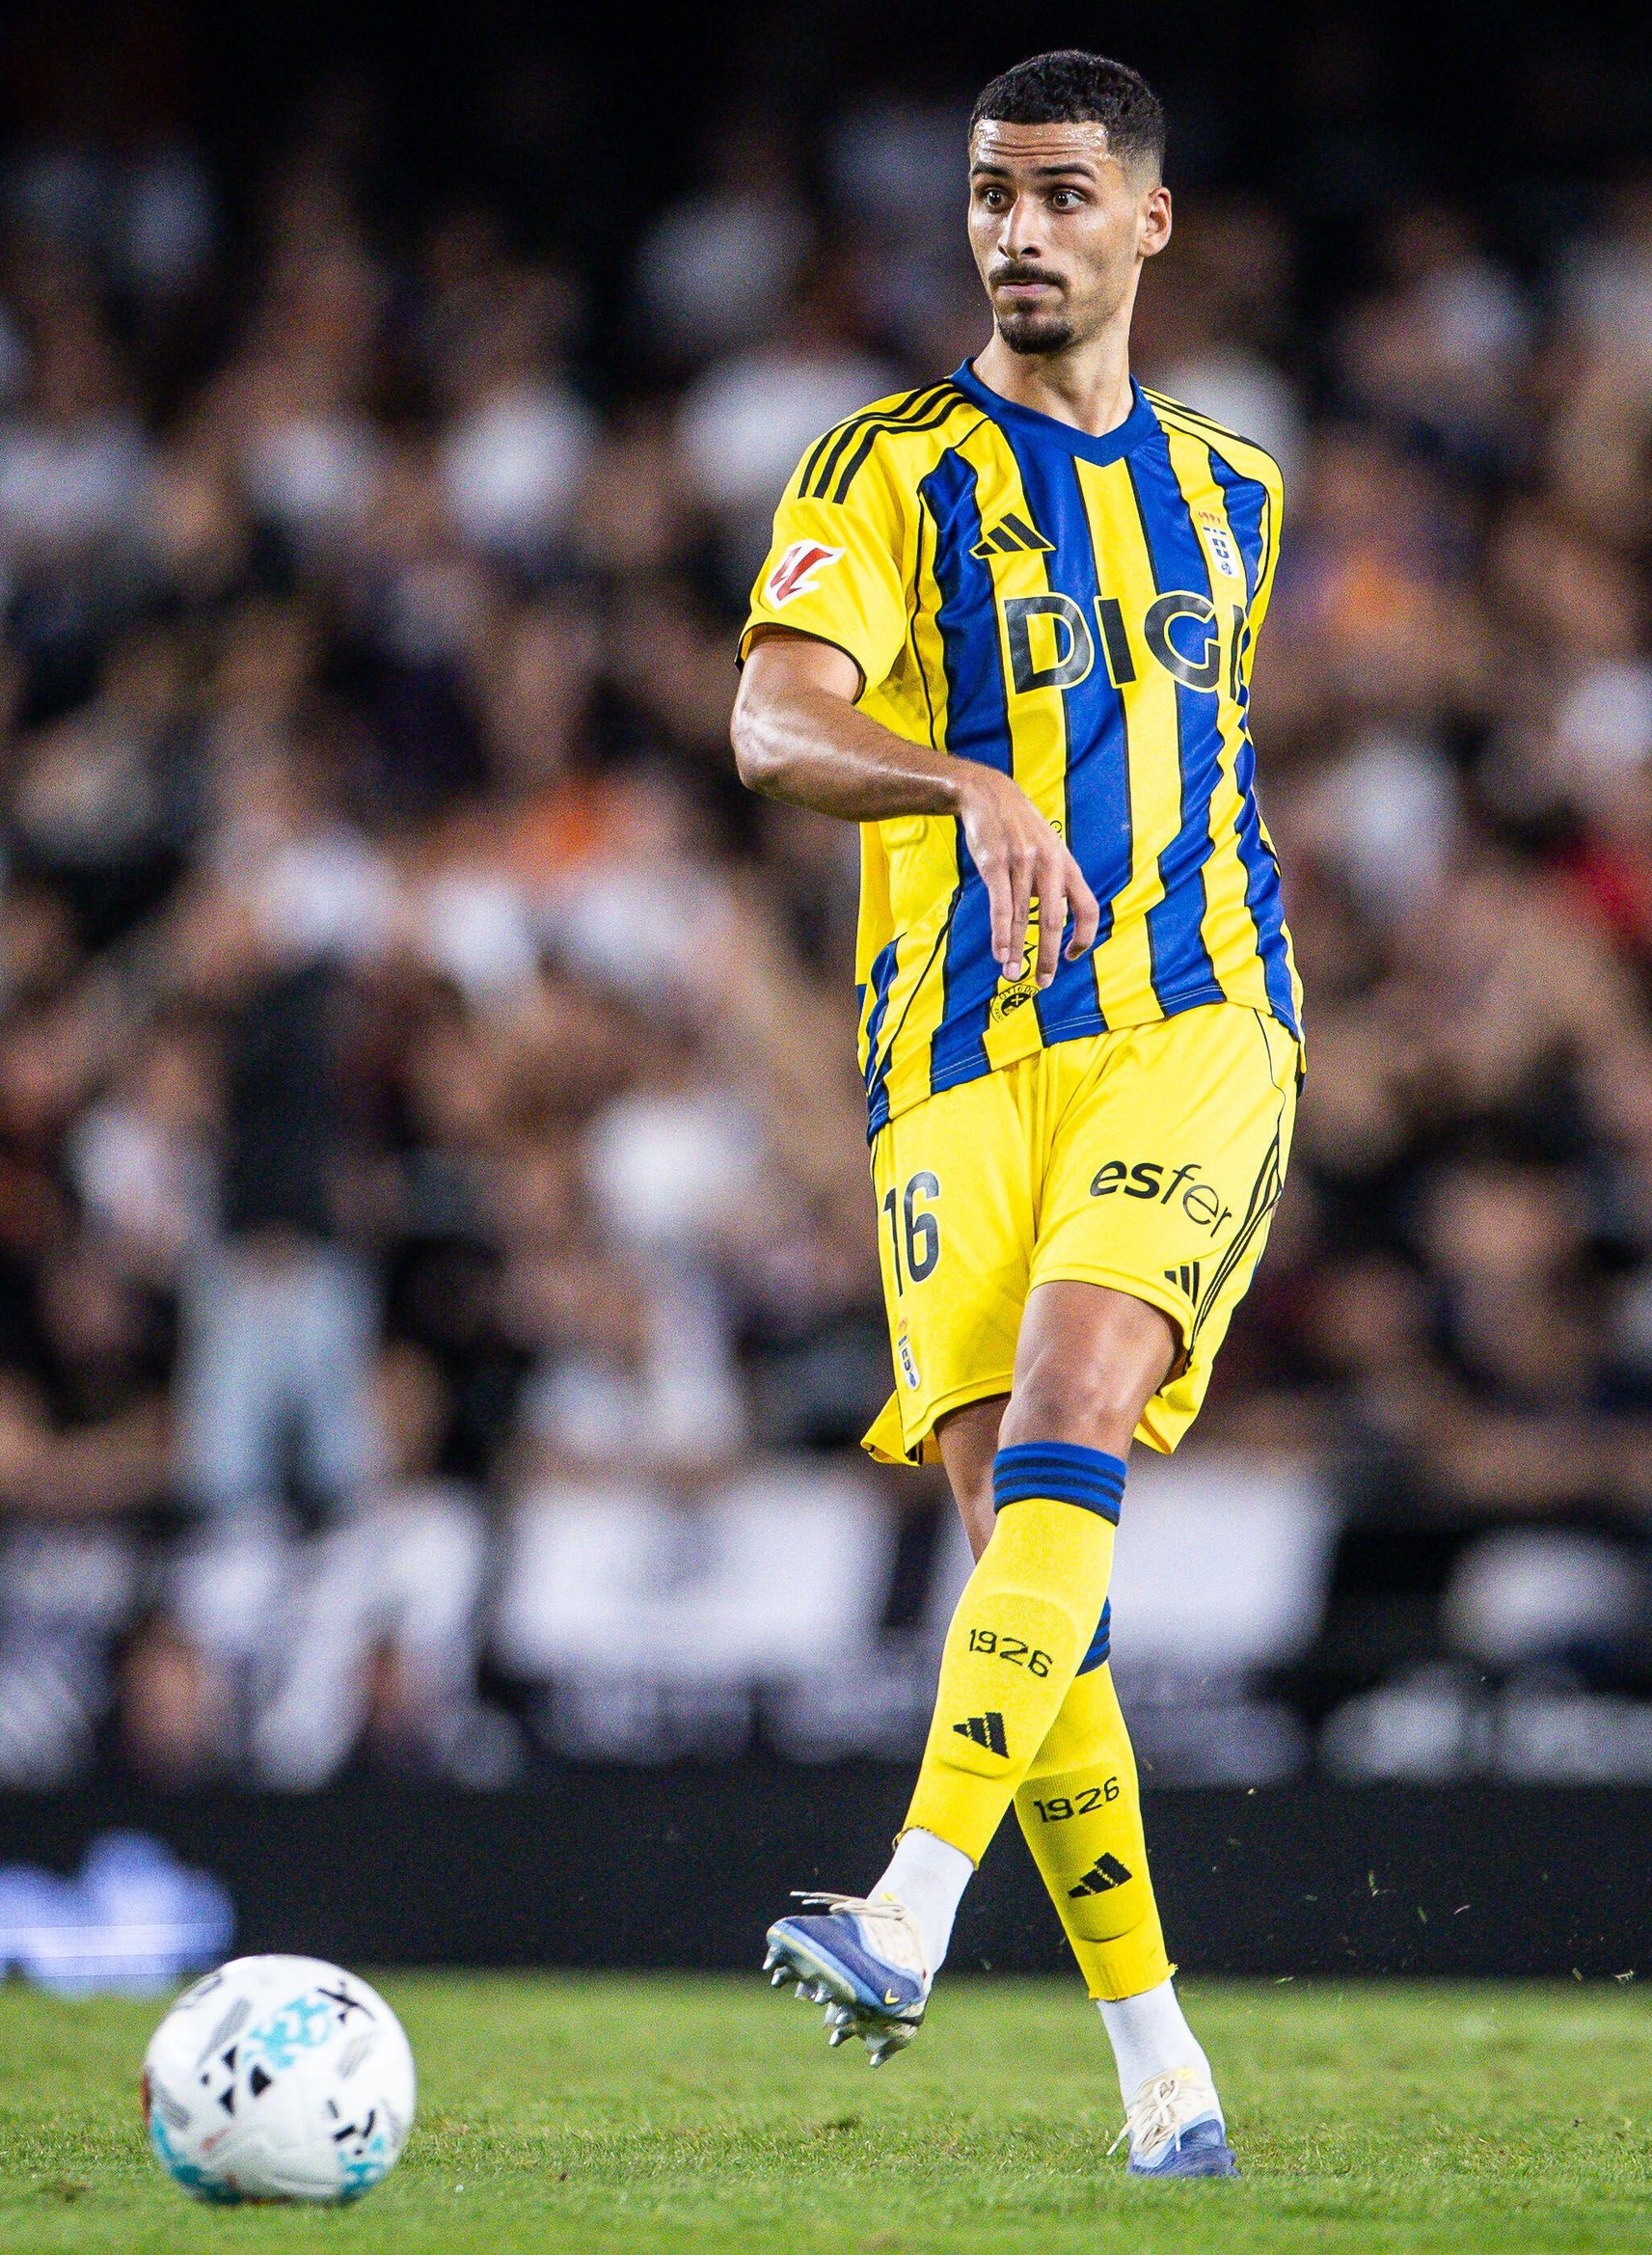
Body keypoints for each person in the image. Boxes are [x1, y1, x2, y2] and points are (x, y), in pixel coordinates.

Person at [729, 50, 1294, 2181]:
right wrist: (960, 778)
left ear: (1149, 218)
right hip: (951, 1061)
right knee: (1022, 1577)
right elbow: (771, 719)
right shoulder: (882, 467)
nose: (1018, 232)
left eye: (1061, 194)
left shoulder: (1235, 491)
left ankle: (904, 1907)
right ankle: (1167, 2077)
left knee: (1070, 1415)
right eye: (989, 194)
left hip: (1190, 1022)